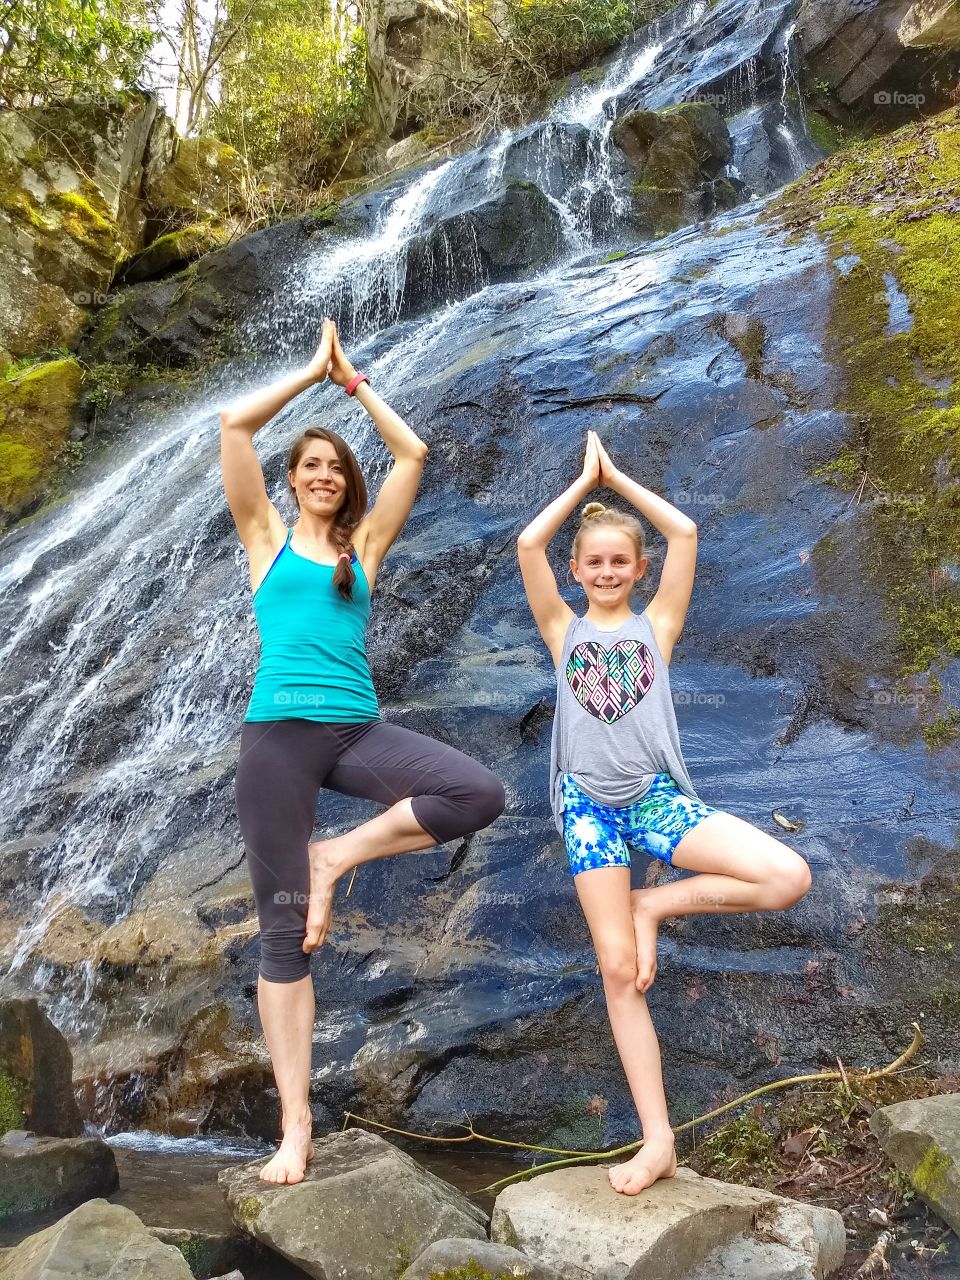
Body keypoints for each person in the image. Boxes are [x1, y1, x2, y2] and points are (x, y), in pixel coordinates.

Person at [220, 318, 506, 1185]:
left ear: (346, 485)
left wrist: (353, 387)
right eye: (308, 466)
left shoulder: (364, 549)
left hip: (357, 730)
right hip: (277, 740)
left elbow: (412, 452)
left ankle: (336, 854)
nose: (320, 476)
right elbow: (234, 429)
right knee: (284, 940)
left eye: (333, 468)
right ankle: (296, 1129)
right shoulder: (264, 540)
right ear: (291, 481)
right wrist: (308, 373)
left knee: (477, 792)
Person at [517, 429, 812, 1197]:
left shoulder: (659, 627)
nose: (608, 571)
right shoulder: (563, 631)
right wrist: (583, 490)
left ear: (639, 571)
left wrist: (618, 475)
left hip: (654, 802)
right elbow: (526, 542)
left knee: (786, 875)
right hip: (588, 812)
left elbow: (684, 530)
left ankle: (651, 903)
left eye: (621, 561)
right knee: (619, 970)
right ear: (575, 571)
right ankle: (658, 1142)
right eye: (595, 561)